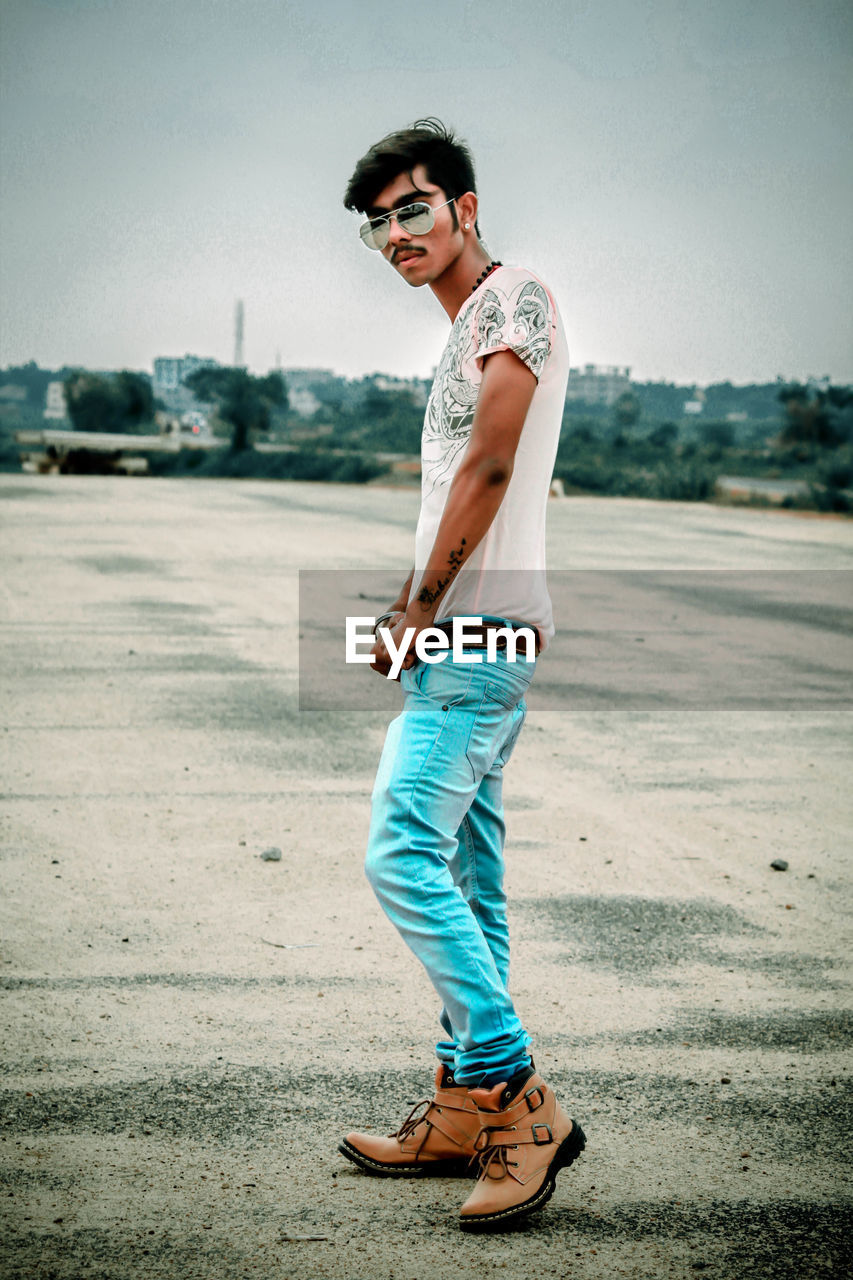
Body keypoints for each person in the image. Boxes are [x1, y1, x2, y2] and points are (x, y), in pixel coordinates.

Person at [338, 118, 586, 1232]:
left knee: (400, 849)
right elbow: (462, 490)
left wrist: (418, 606)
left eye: (413, 208)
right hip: (461, 634)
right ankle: (455, 1104)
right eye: (378, 220)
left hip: (475, 637)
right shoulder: (458, 333)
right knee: (469, 877)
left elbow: (490, 464)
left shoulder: (513, 297)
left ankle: (514, 1093)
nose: (395, 231)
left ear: (464, 209)